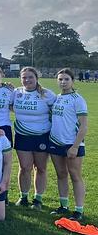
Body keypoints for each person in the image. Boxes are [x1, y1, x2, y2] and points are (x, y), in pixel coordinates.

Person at [13, 67, 56, 210]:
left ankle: (38, 199)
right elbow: (8, 106)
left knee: (41, 168)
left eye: (30, 77)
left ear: (37, 78)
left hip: (42, 136)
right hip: (22, 135)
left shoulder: (47, 94)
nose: (27, 80)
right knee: (25, 167)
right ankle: (23, 197)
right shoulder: (16, 93)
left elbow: (57, 112)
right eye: (24, 77)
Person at [48, 68, 88, 220]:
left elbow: (83, 126)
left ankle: (79, 210)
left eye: (66, 79)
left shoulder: (77, 99)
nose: (63, 82)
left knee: (75, 175)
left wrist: (75, 146)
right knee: (61, 174)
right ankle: (63, 206)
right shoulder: (56, 98)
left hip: (72, 144)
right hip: (55, 142)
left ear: (72, 81)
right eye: (60, 79)